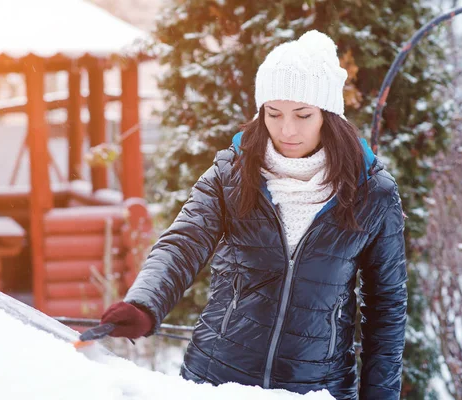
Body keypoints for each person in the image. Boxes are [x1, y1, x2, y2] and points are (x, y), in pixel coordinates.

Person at [100, 30, 408, 400]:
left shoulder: (372, 193)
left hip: (315, 389)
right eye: (273, 113)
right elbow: (183, 243)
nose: (286, 129)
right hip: (217, 381)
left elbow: (386, 308)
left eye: (303, 115)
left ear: (328, 115)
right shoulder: (232, 173)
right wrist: (144, 303)